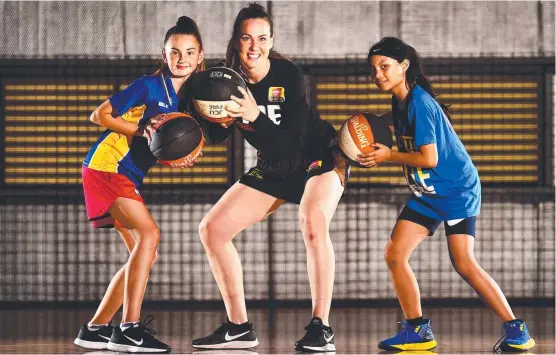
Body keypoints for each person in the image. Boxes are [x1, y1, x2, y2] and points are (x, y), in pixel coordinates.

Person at [360, 37, 535, 353]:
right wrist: (363, 130)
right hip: (428, 194)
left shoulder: (419, 103)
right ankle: (417, 331)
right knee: (395, 254)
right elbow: (395, 127)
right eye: (373, 70)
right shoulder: (400, 102)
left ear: (404, 66)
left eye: (384, 67)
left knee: (464, 262)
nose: (378, 75)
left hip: (456, 191)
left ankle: (517, 330)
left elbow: (429, 159)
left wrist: (388, 156)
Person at [191, 3, 348, 353]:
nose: (254, 46)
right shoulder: (226, 78)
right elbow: (217, 136)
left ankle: (320, 327)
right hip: (275, 164)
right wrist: (203, 119)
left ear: (271, 40)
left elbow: (291, 145)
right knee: (212, 230)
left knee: (311, 220)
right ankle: (238, 327)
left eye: (262, 38)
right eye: (246, 37)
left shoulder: (289, 76)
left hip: (318, 156)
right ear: (236, 40)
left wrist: (254, 114)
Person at [74, 16, 206, 353]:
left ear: (200, 56)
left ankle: (95, 328)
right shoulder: (148, 86)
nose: (182, 59)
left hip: (124, 173)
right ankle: (129, 329)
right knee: (150, 236)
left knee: (141, 254)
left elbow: (165, 145)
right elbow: (99, 115)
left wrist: (180, 156)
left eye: (189, 52)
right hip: (106, 166)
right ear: (164, 55)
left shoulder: (190, 99)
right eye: (175, 52)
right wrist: (142, 131)